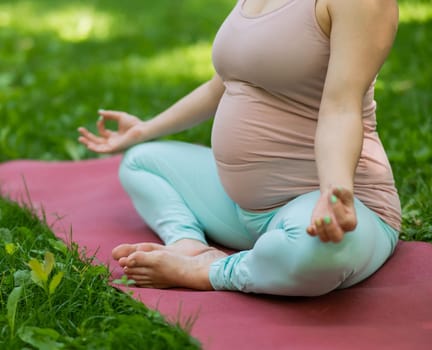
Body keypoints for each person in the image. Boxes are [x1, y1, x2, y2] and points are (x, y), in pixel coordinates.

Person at [78, 0, 401, 296]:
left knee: (314, 254)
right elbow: (222, 84)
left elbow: (341, 107)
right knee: (141, 163)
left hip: (326, 206)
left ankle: (209, 271)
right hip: (239, 208)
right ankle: (189, 246)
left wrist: (335, 192)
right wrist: (144, 129)